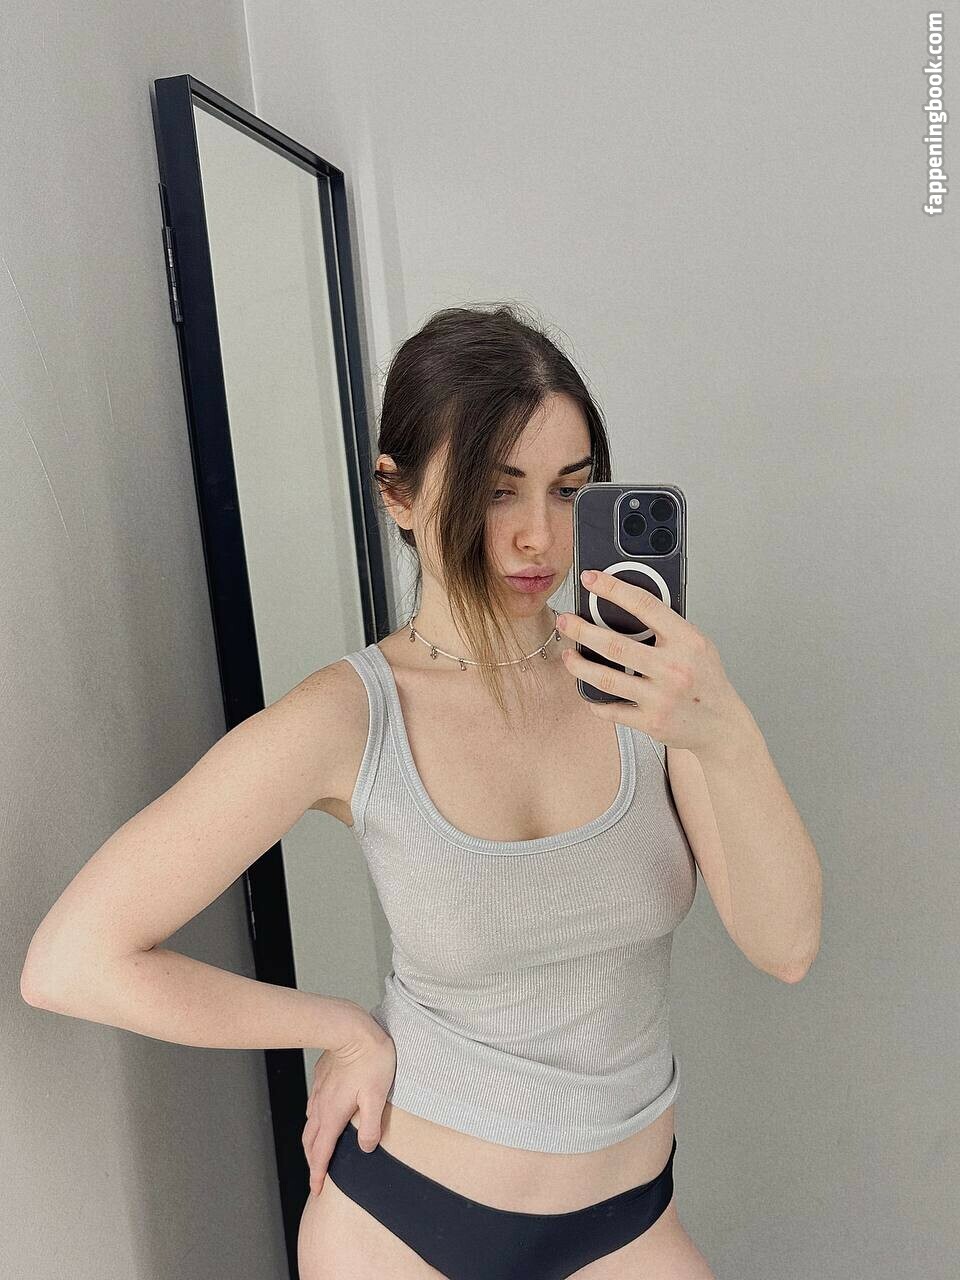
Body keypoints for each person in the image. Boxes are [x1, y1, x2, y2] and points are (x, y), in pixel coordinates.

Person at [21, 304, 717, 1279]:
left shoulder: (653, 692)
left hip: (627, 1221)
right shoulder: (351, 716)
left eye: (568, 491)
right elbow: (72, 959)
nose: (538, 536)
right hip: (401, 1228)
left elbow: (788, 939)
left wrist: (720, 722)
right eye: (495, 490)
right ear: (398, 494)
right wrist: (334, 1026)